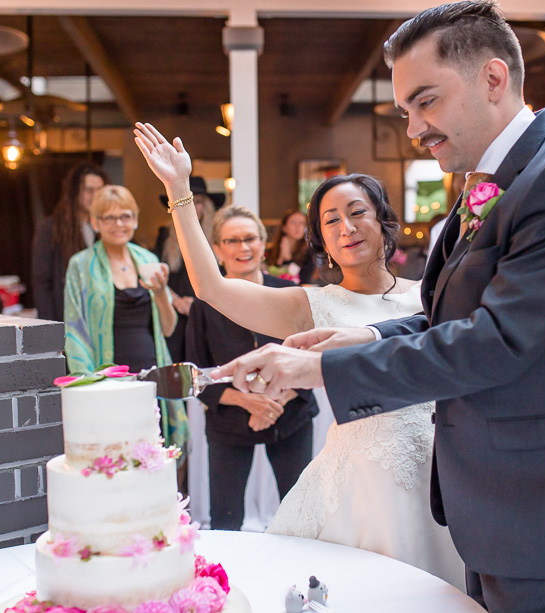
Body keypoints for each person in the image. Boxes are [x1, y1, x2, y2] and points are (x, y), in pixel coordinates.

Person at [209, 3, 545, 611]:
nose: (414, 128)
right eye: (405, 111)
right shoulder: (493, 180)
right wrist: (364, 338)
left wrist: (319, 371)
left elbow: (499, 339)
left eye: (427, 101)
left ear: (494, 79)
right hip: (501, 504)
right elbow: (450, 315)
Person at [134, 118, 466, 587]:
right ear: (322, 242)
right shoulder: (311, 304)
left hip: (443, 473)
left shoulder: (430, 295)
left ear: (384, 221)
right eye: (331, 221)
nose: (347, 228)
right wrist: (179, 190)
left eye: (357, 212)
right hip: (362, 489)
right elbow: (210, 286)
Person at [185, 204, 317, 531]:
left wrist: (274, 402)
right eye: (232, 241)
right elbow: (196, 373)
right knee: (226, 518)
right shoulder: (204, 305)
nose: (243, 248)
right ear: (216, 249)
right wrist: (248, 401)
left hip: (290, 416)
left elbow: (312, 357)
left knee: (300, 513)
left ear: (263, 242)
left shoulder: (291, 294)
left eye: (250, 238)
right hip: (228, 421)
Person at [63, 185, 188, 458]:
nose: (119, 223)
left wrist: (159, 292)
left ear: (136, 218)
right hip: (107, 379)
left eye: (126, 216)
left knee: (152, 454)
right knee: (116, 455)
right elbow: (74, 332)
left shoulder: (148, 259)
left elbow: (168, 327)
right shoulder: (81, 265)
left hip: (151, 376)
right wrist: (89, 387)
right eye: (109, 218)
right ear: (95, 222)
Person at [154, 176, 221, 361]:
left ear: (205, 206)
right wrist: (175, 300)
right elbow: (157, 273)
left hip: (207, 310)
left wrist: (199, 304)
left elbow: (222, 278)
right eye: (188, 200)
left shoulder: (216, 237)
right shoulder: (165, 236)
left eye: (197, 201)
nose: (193, 206)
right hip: (175, 312)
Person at [32, 162, 110, 321]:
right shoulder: (51, 228)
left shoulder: (109, 226)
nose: (95, 196)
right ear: (75, 192)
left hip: (102, 316)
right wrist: (49, 328)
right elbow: (42, 284)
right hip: (68, 316)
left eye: (100, 190)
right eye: (89, 190)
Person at [265, 208, 317, 285]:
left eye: (302, 223)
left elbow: (302, 281)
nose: (298, 227)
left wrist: (288, 257)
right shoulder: (269, 252)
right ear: (284, 227)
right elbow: (268, 278)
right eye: (293, 223)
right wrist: (281, 258)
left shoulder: (309, 253)